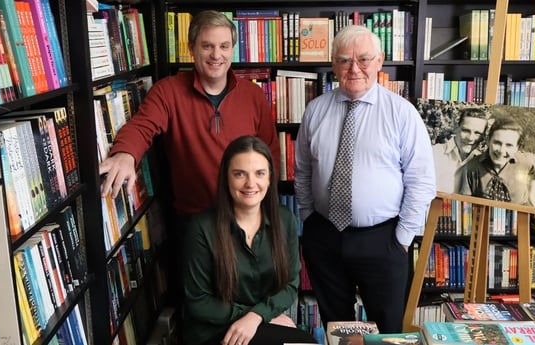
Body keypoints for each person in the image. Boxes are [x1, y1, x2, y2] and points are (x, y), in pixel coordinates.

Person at [97, 10, 280, 307]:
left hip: (246, 219)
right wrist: (125, 154)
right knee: (200, 308)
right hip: (193, 222)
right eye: (207, 46)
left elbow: (270, 154)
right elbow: (143, 125)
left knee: (247, 302)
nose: (216, 55)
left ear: (232, 49)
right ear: (191, 48)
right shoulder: (168, 92)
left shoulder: (253, 95)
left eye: (223, 46)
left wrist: (268, 211)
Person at [294, 25, 436, 333]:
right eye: (345, 60)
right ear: (333, 64)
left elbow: (421, 181)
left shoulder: (401, 113)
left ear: (380, 61)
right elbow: (303, 170)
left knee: (387, 330)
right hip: (326, 235)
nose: (354, 68)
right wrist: (308, 218)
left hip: (383, 239)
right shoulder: (315, 111)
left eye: (364, 59)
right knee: (337, 326)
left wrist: (401, 239)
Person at [182, 135, 316, 345]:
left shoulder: (285, 220)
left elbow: (290, 285)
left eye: (259, 173)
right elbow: (199, 301)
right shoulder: (201, 227)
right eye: (239, 174)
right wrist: (258, 317)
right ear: (226, 178)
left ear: (270, 178)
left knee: (305, 343)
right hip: (215, 332)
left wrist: (257, 317)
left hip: (258, 324)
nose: (250, 183)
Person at [458, 117, 535, 208]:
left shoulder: (525, 161)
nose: (502, 151)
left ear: (517, 147)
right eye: (497, 143)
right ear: (488, 141)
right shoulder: (471, 168)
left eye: (509, 145)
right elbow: (465, 201)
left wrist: (532, 196)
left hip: (519, 210)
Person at [431, 107, 490, 193]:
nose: (470, 138)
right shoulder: (435, 153)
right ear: (456, 127)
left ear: (483, 136)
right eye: (466, 130)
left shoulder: (482, 163)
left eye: (477, 133)